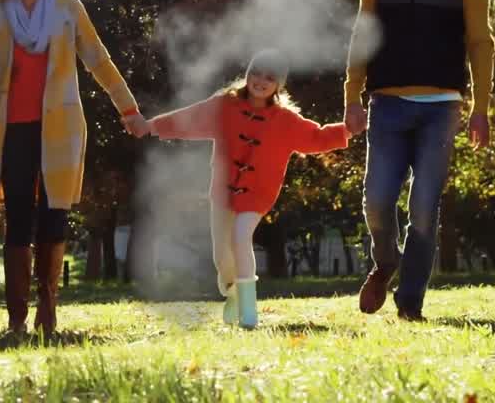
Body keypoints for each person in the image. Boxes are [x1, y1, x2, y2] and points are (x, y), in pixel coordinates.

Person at [0, 0, 147, 337]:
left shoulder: (67, 9)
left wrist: (128, 109)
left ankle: (48, 310)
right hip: (12, 130)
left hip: (61, 127)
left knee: (55, 212)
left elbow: (99, 60)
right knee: (19, 216)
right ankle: (15, 320)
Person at [344, 0, 495, 322]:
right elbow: (363, 30)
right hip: (387, 103)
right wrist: (352, 94)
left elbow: (480, 41)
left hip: (441, 106)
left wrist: (481, 108)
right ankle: (385, 261)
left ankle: (410, 301)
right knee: (376, 200)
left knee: (424, 208)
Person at [143, 49, 349, 328]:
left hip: (259, 193)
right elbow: (189, 119)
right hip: (222, 190)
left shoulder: (285, 120)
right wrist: (151, 126)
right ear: (247, 74)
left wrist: (348, 129)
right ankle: (234, 294)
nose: (260, 81)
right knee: (221, 257)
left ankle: (249, 313)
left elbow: (317, 137)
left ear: (279, 84)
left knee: (241, 237)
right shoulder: (225, 105)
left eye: (269, 77)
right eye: (256, 73)